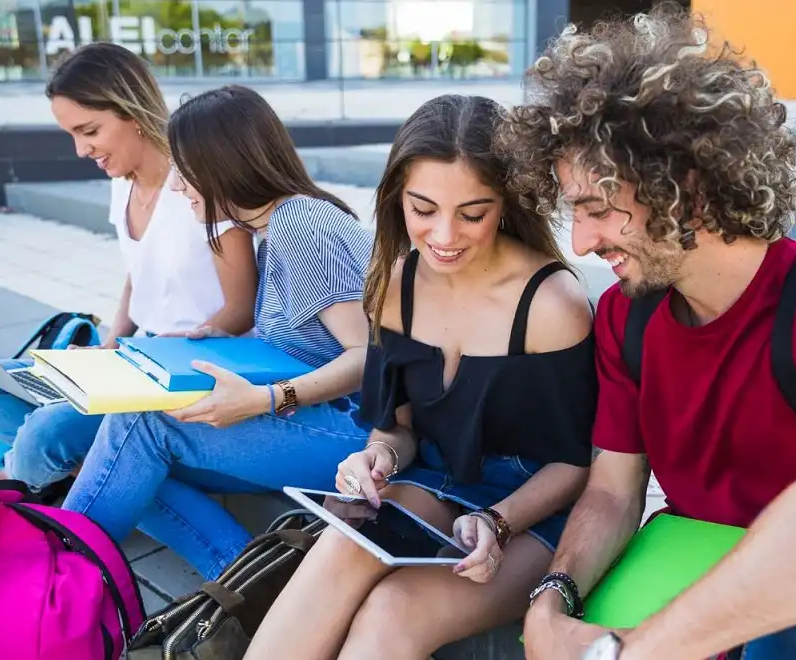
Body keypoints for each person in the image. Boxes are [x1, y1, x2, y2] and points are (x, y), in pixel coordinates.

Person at [497, 5, 796, 659]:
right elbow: (614, 491)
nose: (583, 242)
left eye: (598, 211)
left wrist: (637, 650)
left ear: (687, 191)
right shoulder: (628, 316)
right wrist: (552, 597)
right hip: (691, 563)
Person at [244, 94, 598, 660]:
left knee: (393, 612)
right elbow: (397, 428)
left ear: (504, 203)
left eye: (472, 213)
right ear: (396, 199)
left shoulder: (551, 304)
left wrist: (497, 521)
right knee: (342, 547)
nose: (444, 235)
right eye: (423, 208)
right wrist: (375, 457)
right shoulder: (396, 285)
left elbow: (577, 465)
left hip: (531, 511)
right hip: (437, 482)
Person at [60, 85, 374, 579]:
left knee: (143, 422)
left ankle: (55, 580)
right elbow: (308, 342)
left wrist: (266, 399)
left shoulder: (301, 225)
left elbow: (368, 356)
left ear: (222, 165)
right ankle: (246, 577)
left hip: (358, 437)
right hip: (315, 419)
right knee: (129, 462)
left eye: (186, 172)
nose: (179, 188)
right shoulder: (274, 227)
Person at [0, 42, 257, 494]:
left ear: (130, 111)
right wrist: (113, 344)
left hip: (189, 371)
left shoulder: (200, 183)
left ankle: (22, 477)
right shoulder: (122, 185)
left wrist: (158, 357)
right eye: (71, 134)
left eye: (88, 130)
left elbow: (243, 307)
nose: (80, 150)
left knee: (45, 434)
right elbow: (139, 273)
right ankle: (87, 466)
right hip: (135, 359)